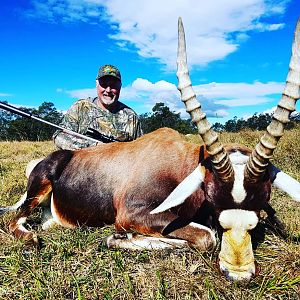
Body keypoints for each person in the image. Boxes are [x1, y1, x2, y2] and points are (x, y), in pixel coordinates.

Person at [53, 65, 143, 150]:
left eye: (113, 85)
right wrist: (94, 147)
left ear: (120, 87)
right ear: (96, 84)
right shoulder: (80, 107)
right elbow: (59, 136)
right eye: (104, 84)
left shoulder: (131, 116)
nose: (108, 90)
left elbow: (139, 149)